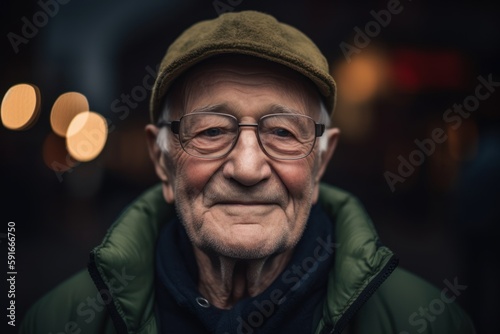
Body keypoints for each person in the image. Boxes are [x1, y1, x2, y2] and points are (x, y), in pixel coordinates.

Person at [21, 10, 475, 334]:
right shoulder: (57, 320)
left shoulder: (430, 321)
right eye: (213, 130)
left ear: (320, 161)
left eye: (281, 132)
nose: (248, 167)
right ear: (162, 160)